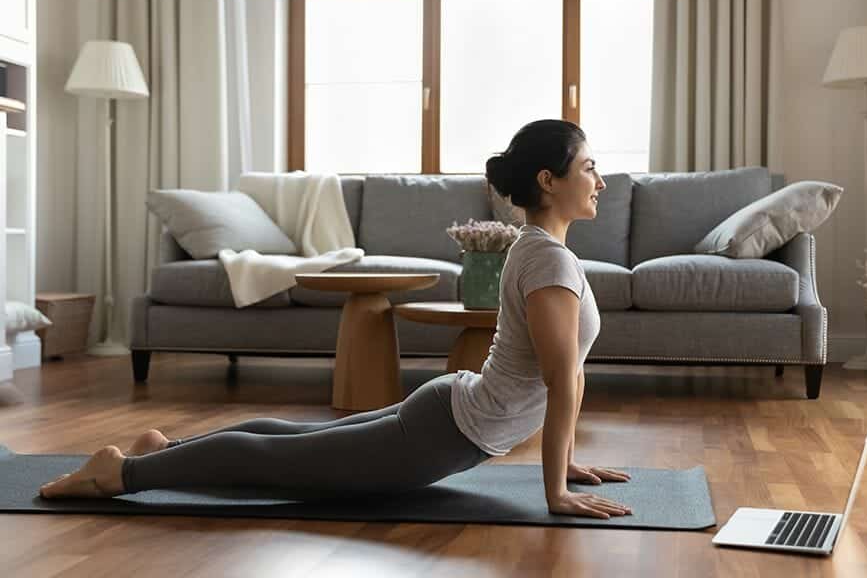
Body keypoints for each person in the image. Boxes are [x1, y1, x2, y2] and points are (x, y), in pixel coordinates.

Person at [39, 119, 633, 520]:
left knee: (302, 442)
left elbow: (559, 377)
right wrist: (554, 489)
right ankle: (122, 472)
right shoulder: (548, 260)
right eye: (588, 167)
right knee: (287, 464)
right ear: (547, 181)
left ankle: (168, 449)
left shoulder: (541, 250)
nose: (600, 180)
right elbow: (562, 381)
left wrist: (567, 463)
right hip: (447, 430)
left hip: (453, 412)